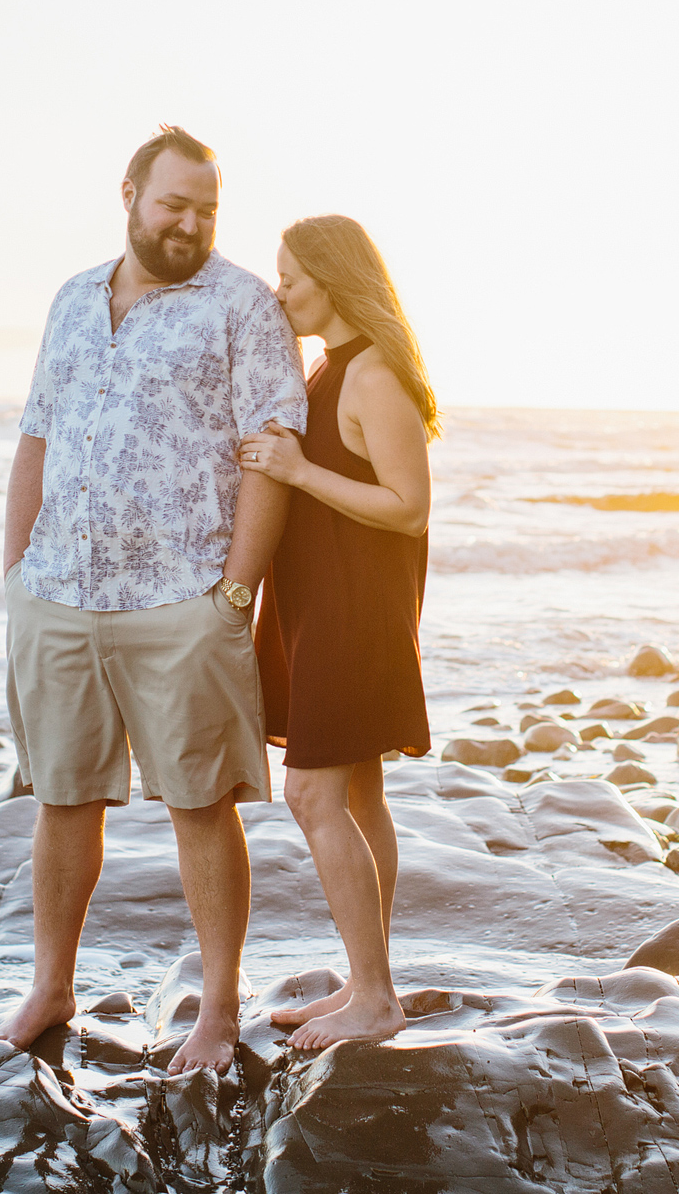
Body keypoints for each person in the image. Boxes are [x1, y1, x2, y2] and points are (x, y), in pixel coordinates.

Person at [0, 126, 307, 1074]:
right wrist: (16, 574)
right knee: (61, 796)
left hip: (184, 597)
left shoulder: (244, 306)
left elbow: (273, 457)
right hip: (58, 592)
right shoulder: (72, 299)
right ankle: (51, 985)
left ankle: (217, 1007)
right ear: (129, 193)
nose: (191, 224)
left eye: (207, 209)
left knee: (202, 803)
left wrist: (235, 593)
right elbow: (36, 439)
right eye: (174, 204)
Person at [237, 214, 438, 1048]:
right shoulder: (331, 367)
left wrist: (296, 470)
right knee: (359, 794)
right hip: (328, 607)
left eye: (290, 276)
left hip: (357, 615)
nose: (278, 290)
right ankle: (367, 980)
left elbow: (408, 505)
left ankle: (377, 997)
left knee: (311, 792)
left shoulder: (374, 374)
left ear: (332, 276)